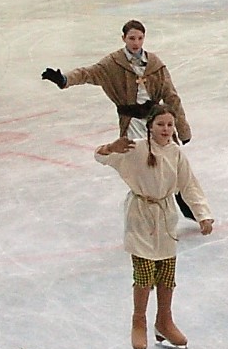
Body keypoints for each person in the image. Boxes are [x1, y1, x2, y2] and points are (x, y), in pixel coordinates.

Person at [43, 20, 199, 219]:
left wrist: (183, 129)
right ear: (123, 38)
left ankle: (186, 204)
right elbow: (88, 73)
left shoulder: (154, 64)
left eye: (140, 38)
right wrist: (64, 80)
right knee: (144, 164)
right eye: (132, 38)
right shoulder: (113, 64)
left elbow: (171, 97)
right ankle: (148, 208)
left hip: (156, 122)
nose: (136, 43)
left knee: (169, 162)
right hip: (132, 123)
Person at [95, 104, 213, 349]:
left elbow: (189, 185)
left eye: (170, 125)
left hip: (165, 217)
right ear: (150, 126)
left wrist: (202, 215)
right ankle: (139, 320)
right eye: (160, 124)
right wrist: (110, 147)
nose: (166, 129)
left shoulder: (176, 153)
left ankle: (164, 321)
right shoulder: (136, 148)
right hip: (140, 217)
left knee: (167, 272)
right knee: (145, 271)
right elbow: (101, 157)